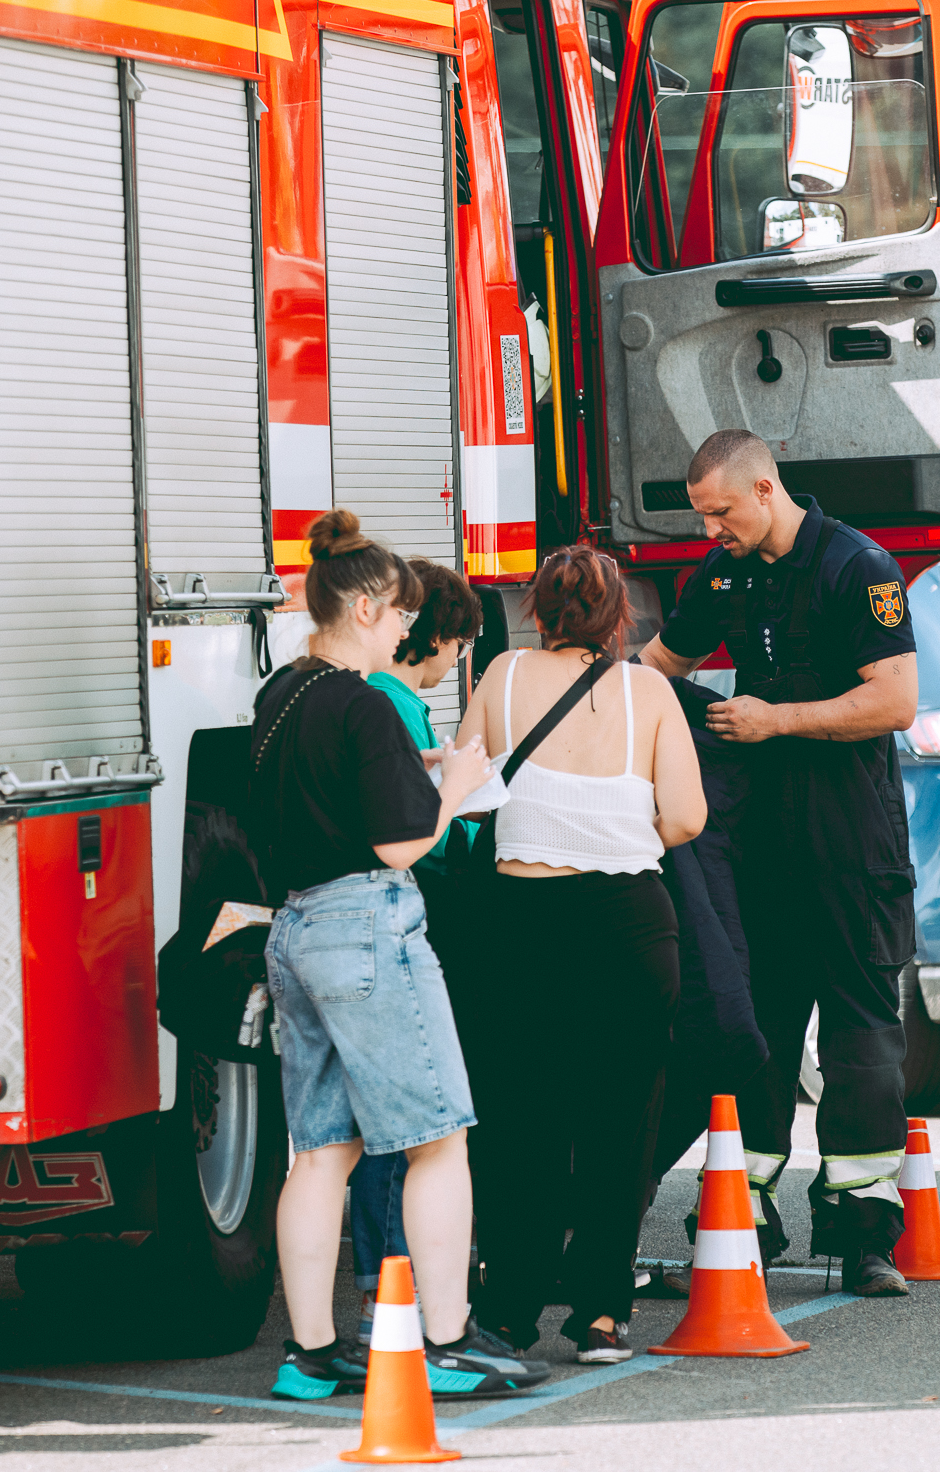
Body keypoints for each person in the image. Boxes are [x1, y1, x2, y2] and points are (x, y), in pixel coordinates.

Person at [257, 510, 549, 1400]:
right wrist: (453, 785)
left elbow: (325, 795)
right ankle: (448, 1340)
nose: (405, 631)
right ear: (365, 607)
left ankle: (311, 1353)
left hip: (295, 927)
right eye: (398, 614)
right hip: (367, 926)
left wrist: (407, 767)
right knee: (439, 1138)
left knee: (320, 1151)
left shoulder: (283, 692)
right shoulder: (363, 701)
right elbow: (399, 844)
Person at [638, 430, 921, 1297]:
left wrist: (775, 719)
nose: (710, 529)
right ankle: (741, 1220)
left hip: (851, 840)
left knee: (861, 1040)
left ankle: (865, 1233)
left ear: (765, 488)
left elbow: (896, 699)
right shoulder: (722, 573)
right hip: (756, 842)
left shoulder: (857, 566)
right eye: (702, 515)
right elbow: (657, 671)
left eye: (720, 511)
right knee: (753, 1033)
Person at [460, 544, 705, 1364]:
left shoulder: (500, 676)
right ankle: (602, 1312)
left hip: (521, 921)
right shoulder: (650, 692)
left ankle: (508, 1310)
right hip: (629, 922)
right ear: (617, 615)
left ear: (538, 607)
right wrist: (617, 830)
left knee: (520, 1117)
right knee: (621, 1119)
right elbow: (688, 817)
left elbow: (467, 792)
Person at [345, 558, 485, 1347]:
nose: (454, 661)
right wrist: (463, 796)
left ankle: (384, 1289)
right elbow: (413, 832)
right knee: (415, 1118)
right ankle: (404, 1294)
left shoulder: (354, 698)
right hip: (405, 915)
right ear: (435, 636)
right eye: (459, 644)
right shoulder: (392, 706)